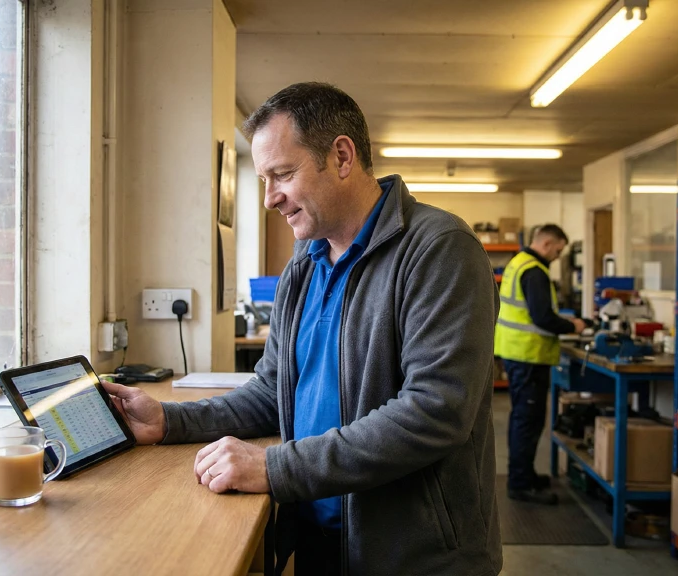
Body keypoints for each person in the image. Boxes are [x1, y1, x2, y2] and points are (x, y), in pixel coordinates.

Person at [102, 82, 502, 576]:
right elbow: (274, 390)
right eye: (263, 180)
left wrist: (273, 467)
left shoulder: (439, 249)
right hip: (320, 533)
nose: (270, 198)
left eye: (282, 174)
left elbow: (435, 412)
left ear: (340, 156)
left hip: (411, 554)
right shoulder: (305, 264)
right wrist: (169, 420)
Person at [494, 224, 587, 505]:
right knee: (527, 420)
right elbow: (542, 317)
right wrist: (575, 325)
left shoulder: (518, 263)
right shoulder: (534, 270)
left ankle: (525, 475)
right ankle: (520, 483)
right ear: (547, 244)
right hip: (528, 355)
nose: (558, 256)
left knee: (525, 419)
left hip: (517, 353)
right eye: (558, 250)